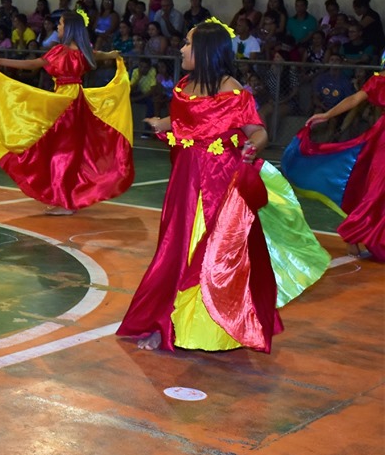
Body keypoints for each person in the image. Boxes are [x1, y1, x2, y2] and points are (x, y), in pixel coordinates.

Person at [118, 21, 328, 353]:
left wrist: (254, 145)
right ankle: (168, 322)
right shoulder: (185, 85)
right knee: (176, 250)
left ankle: (205, 327)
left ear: (205, 51)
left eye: (188, 44)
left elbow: (257, 130)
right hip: (185, 181)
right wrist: (161, 123)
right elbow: (185, 120)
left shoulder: (232, 89)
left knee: (210, 251)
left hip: (219, 182)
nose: (182, 49)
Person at [0, 10, 134, 216]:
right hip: (77, 101)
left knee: (61, 154)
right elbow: (98, 55)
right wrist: (111, 55)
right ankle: (66, 199)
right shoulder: (83, 51)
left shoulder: (60, 51)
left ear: (69, 28)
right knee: (69, 153)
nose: (58, 27)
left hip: (64, 104)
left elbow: (33, 64)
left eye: (61, 24)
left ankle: (66, 203)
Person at [286, 59, 385, 260]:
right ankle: (353, 232)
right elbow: (355, 99)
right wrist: (328, 114)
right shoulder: (380, 81)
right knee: (377, 192)